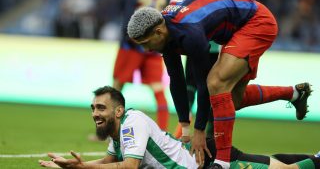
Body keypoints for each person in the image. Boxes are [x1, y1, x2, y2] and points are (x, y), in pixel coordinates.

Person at [126, 0, 312, 168]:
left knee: (216, 82)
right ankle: (295, 93)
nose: (147, 50)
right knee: (232, 100)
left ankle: (222, 162)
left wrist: (199, 131)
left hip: (257, 22)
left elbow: (203, 83)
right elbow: (176, 80)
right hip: (239, 28)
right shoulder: (166, 32)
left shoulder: (189, 32)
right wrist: (184, 127)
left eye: (146, 43)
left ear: (158, 32)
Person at [38, 86, 320, 169]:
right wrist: (74, 165)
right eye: (92, 109)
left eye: (100, 108)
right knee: (271, 164)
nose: (95, 114)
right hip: (201, 157)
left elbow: (128, 168)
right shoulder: (118, 132)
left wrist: (82, 168)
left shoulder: (132, 123)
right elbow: (112, 161)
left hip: (206, 164)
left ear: (118, 110)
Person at [170, 0, 254, 140]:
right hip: (195, 36)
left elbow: (248, 6)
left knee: (211, 87)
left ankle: (206, 135)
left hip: (219, 42)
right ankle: (188, 132)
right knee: (200, 85)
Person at [112, 0, 171, 131]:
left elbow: (125, 7)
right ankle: (162, 132)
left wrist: (127, 35)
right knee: (158, 88)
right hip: (154, 43)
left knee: (117, 86)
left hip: (132, 44)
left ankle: (109, 131)